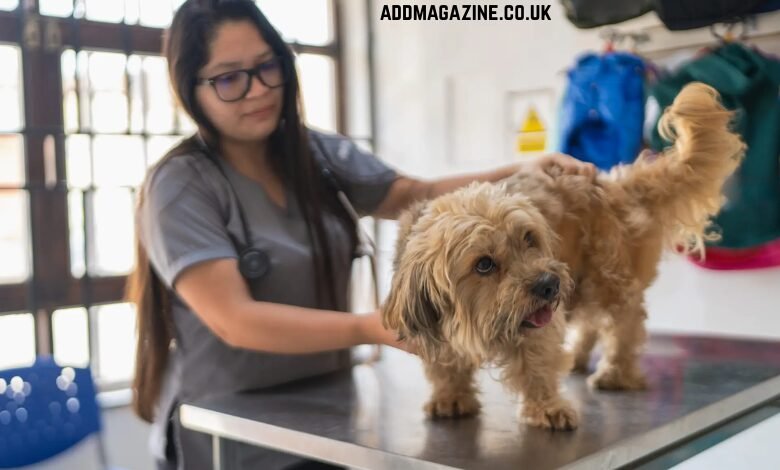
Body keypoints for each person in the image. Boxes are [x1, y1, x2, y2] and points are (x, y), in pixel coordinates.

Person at [126, 1, 596, 469]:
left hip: (327, 419)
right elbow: (234, 319)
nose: (257, 90)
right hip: (227, 433)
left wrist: (521, 169)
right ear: (189, 90)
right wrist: (371, 327)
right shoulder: (179, 187)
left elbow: (416, 194)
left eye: (268, 66)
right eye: (229, 78)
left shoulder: (314, 153)